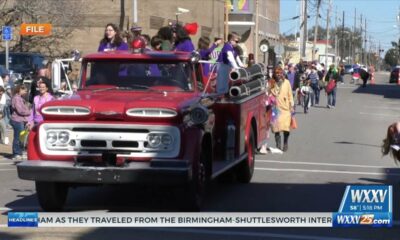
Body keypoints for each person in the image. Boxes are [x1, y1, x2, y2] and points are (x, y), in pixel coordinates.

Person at [270, 67, 294, 152]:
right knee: (276, 127)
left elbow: (290, 94)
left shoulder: (286, 82)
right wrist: (277, 85)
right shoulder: (271, 82)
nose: (279, 75)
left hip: (285, 108)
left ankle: (285, 143)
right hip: (275, 108)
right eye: (277, 73)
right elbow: (272, 93)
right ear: (274, 74)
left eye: (280, 73)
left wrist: (292, 105)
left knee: (286, 127)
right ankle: (278, 144)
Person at [10, 85, 31, 160]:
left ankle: (19, 152)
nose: (26, 92)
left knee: (21, 137)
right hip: (17, 120)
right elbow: (20, 110)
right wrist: (29, 112)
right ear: (20, 90)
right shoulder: (16, 98)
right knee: (18, 137)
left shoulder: (20, 98)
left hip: (21, 120)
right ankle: (16, 153)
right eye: (24, 90)